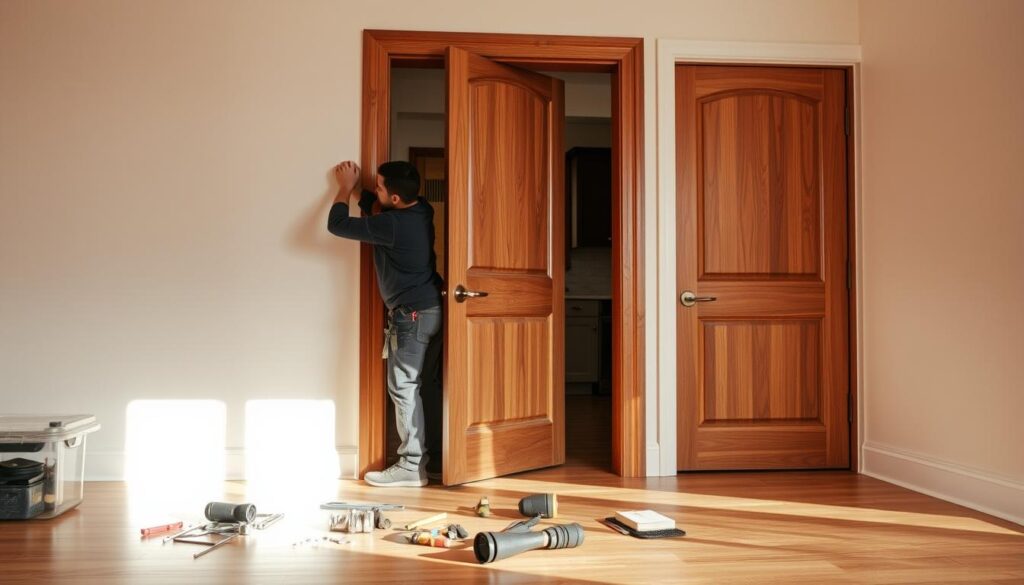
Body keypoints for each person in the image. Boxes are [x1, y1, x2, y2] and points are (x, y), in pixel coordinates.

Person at [327, 160, 443, 487]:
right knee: (425, 386)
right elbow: (378, 211)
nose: (374, 189)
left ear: (394, 198)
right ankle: (435, 460)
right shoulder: (422, 209)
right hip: (430, 309)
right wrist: (363, 194)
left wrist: (344, 188)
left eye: (378, 187)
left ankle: (411, 466)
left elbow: (337, 224)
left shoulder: (392, 225)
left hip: (412, 316)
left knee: (403, 387)